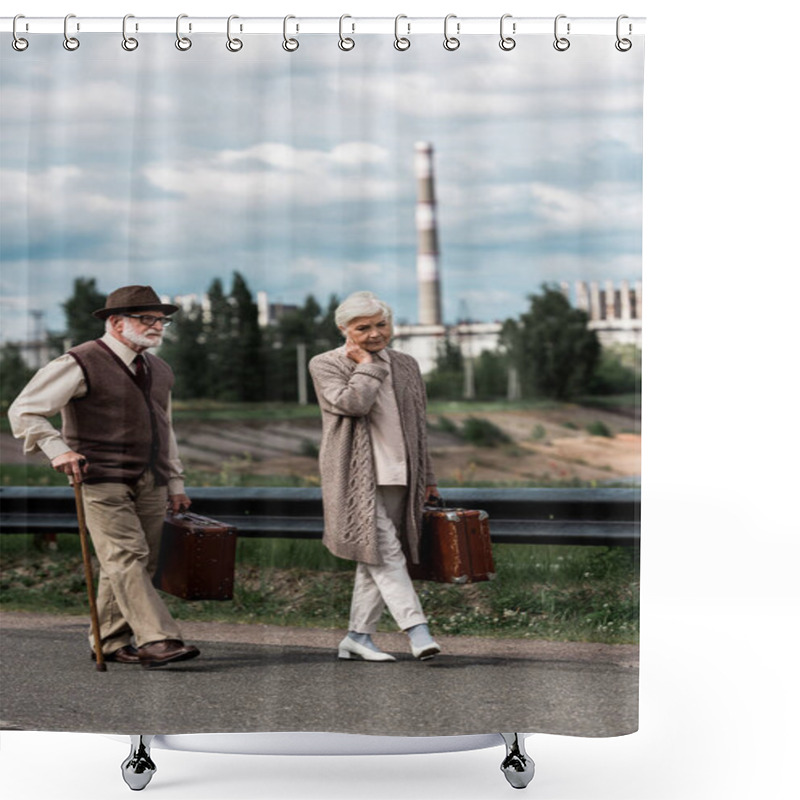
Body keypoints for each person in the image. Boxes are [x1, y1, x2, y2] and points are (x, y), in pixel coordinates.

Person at [8, 285, 200, 668]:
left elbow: (166, 428)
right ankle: (159, 639)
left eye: (161, 320)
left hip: (152, 477)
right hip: (99, 476)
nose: (157, 326)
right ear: (115, 322)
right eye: (147, 319)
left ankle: (109, 642)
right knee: (126, 556)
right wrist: (58, 450)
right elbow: (24, 411)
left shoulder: (159, 369)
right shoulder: (79, 362)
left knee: (135, 563)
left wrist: (175, 482)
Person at [308, 291, 441, 662]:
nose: (374, 334)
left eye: (381, 324)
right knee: (385, 553)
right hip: (354, 477)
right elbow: (353, 404)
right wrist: (366, 364)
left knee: (376, 557)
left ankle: (357, 636)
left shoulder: (407, 364)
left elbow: (420, 428)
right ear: (343, 329)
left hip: (403, 473)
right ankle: (417, 630)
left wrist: (427, 476)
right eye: (362, 328)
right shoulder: (325, 363)